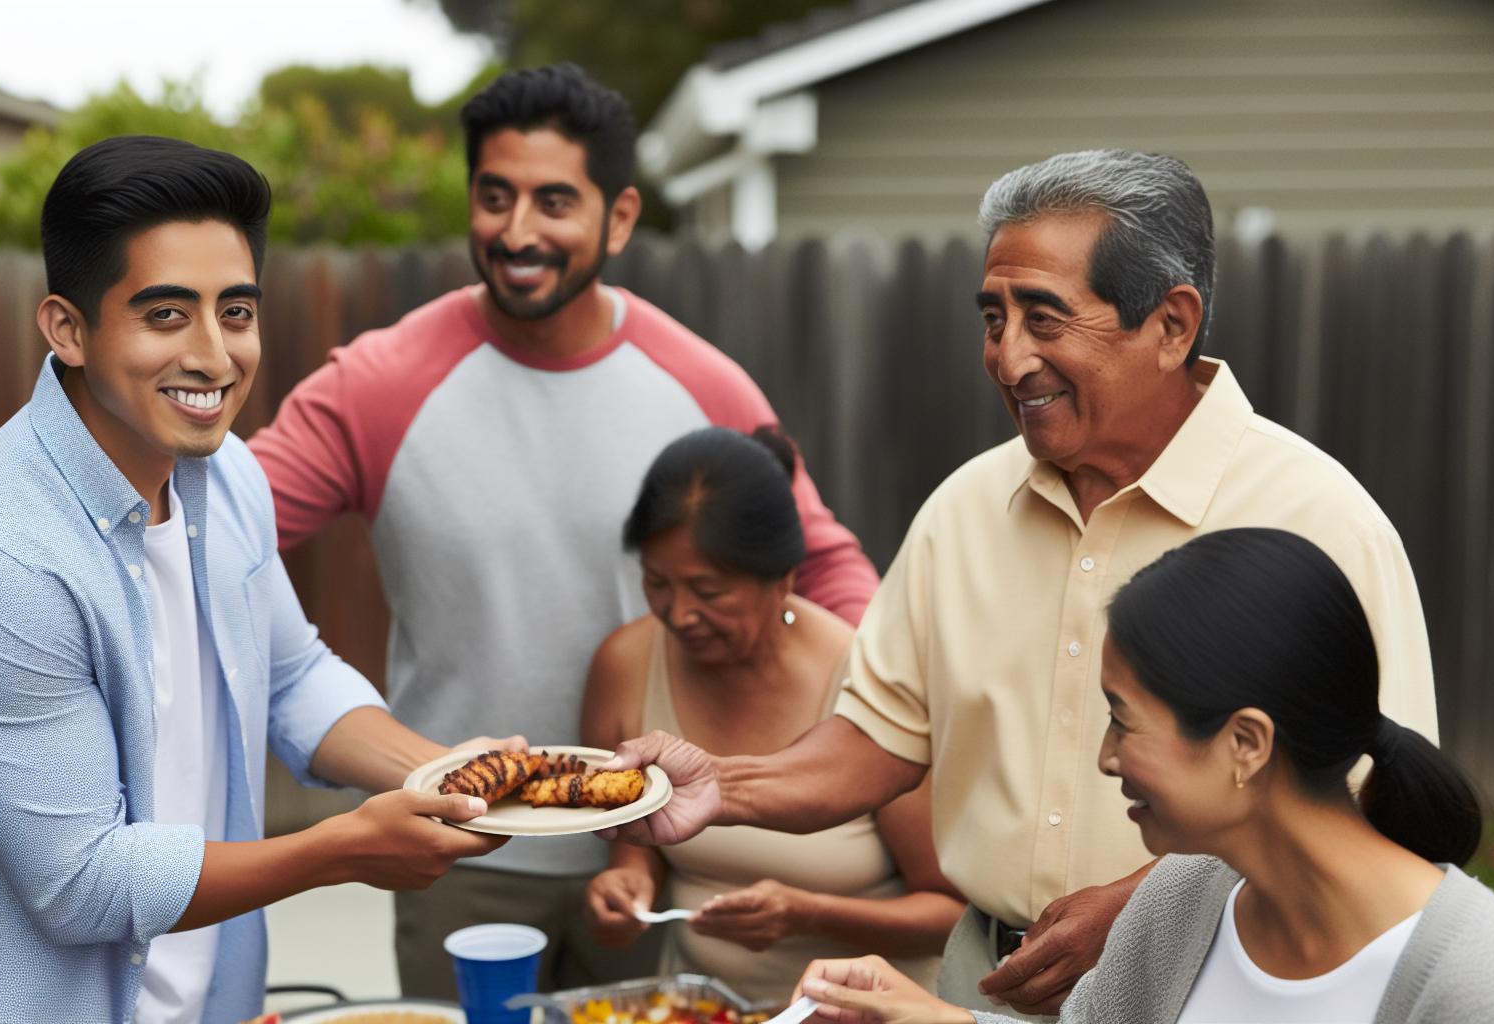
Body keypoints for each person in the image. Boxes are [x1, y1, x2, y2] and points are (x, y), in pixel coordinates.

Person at [604, 149, 1438, 1019]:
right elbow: (875, 741)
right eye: (993, 318)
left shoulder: (1318, 518)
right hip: (981, 982)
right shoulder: (963, 511)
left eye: (1045, 318)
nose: (1008, 358)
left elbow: (1377, 801)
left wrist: (1147, 910)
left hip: (1220, 987)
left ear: (1172, 324)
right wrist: (716, 788)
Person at [247, 64, 879, 996]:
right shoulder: (378, 384)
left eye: (553, 201)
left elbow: (822, 565)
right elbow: (220, 531)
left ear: (620, 217)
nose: (516, 231)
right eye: (494, 196)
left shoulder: (701, 384)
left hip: (643, 849)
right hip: (456, 850)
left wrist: (852, 742)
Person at [0, 136, 510, 1024]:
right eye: (166, 315)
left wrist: (455, 776)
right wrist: (342, 850)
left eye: (235, 312)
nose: (214, 355)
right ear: (68, 329)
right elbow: (84, 881)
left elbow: (291, 677)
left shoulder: (230, 476)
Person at [792, 529, 1494, 1024]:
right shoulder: (1186, 896)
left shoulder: (1475, 982)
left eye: (1123, 719)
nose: (1106, 756)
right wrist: (918, 1016)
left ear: (1245, 744)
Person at [582, 427, 963, 1002]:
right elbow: (635, 843)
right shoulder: (625, 664)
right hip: (701, 1008)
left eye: (707, 590)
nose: (679, 614)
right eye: (657, 584)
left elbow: (953, 911)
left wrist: (808, 914)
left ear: (783, 577)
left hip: (860, 1012)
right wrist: (625, 885)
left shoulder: (871, 683)